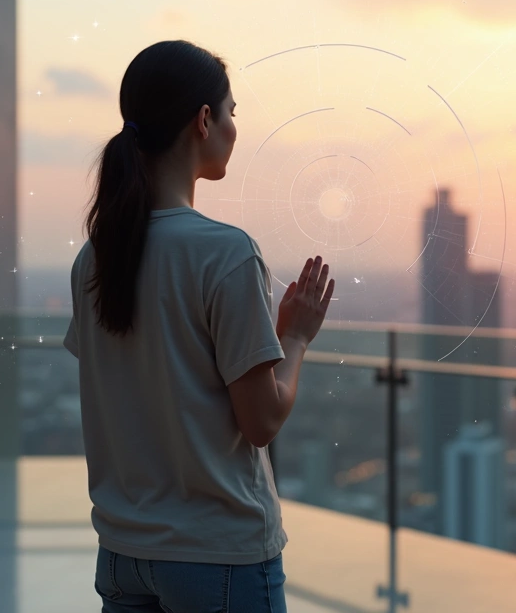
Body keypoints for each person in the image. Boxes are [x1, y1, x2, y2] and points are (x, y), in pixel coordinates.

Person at [63, 40, 333, 613]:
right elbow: (260, 421)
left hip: (121, 554)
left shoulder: (94, 260)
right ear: (204, 121)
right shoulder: (227, 254)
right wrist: (295, 337)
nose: (236, 127)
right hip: (218, 559)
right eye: (232, 112)